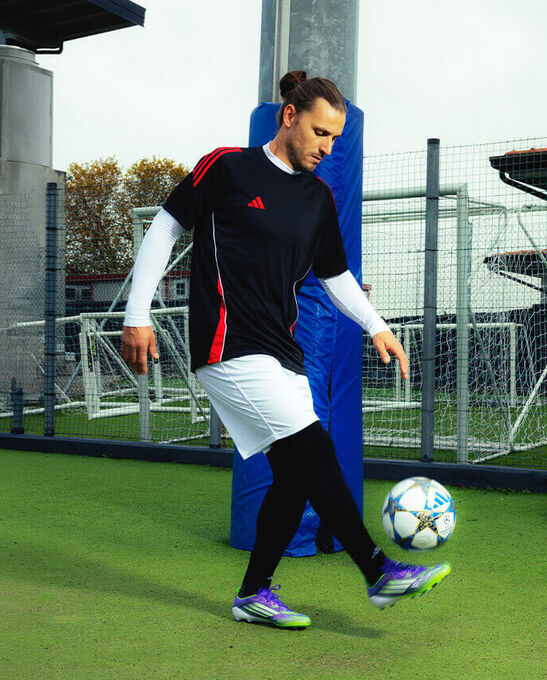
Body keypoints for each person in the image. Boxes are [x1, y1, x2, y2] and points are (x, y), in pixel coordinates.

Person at [121, 70, 451, 630]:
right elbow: (165, 229)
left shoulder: (319, 197)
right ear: (290, 117)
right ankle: (377, 571)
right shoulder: (227, 167)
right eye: (320, 132)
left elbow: (335, 275)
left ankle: (253, 594)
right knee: (314, 448)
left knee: (295, 477)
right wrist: (136, 314)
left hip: (282, 351)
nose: (326, 147)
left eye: (335, 140)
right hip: (227, 343)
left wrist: (376, 326)